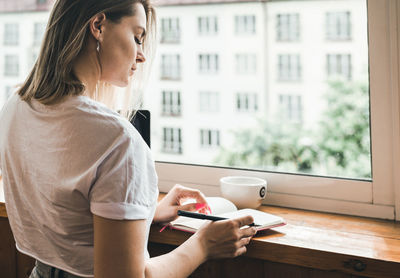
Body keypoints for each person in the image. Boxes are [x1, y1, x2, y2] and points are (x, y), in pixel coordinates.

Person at [0, 0, 257, 277]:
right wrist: (203, 244)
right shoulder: (117, 140)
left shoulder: (15, 107)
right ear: (97, 26)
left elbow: (64, 213)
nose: (142, 55)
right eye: (137, 37)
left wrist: (143, 212)